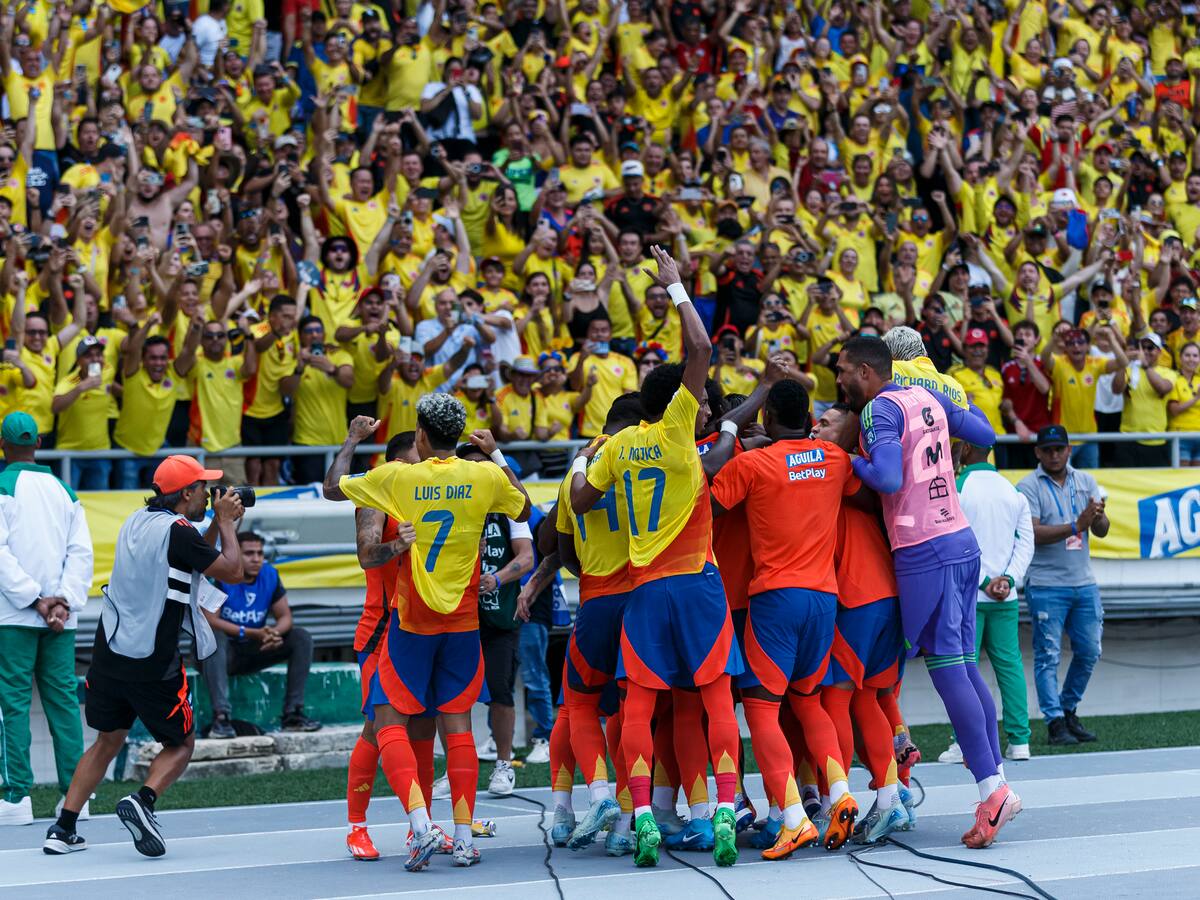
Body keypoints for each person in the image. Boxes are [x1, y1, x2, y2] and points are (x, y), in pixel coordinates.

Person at [570, 246, 742, 869]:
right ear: (679, 403)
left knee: (638, 706)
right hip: (697, 583)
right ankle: (723, 809)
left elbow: (582, 499)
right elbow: (701, 349)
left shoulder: (617, 447)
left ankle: (640, 814)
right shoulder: (676, 432)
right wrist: (675, 287)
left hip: (642, 589)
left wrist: (583, 459)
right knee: (715, 699)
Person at [323, 403, 531, 871]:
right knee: (382, 726)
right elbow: (366, 556)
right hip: (394, 625)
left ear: (421, 439)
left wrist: (352, 440)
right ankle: (361, 826)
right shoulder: (403, 487)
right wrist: (400, 544)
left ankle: (422, 825)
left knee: (418, 726)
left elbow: (331, 487)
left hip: (415, 623)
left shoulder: (402, 482)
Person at [835, 335, 1019, 850]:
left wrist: (844, 460)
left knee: (940, 670)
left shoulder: (879, 409)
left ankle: (989, 790)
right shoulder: (927, 395)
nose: (839, 379)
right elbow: (985, 434)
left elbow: (887, 478)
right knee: (963, 665)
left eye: (844, 370)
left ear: (868, 371)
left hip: (922, 548)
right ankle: (996, 782)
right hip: (960, 540)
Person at [45, 456, 244, 857]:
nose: (208, 495)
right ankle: (143, 800)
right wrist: (225, 524)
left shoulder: (136, 521)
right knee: (181, 744)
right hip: (154, 658)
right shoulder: (179, 531)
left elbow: (193, 555)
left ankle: (62, 829)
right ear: (186, 493)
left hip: (110, 651)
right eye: (203, 488)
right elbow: (233, 571)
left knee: (107, 741)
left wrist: (211, 524)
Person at [709, 379, 866, 859]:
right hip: (824, 597)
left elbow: (707, 500)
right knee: (808, 701)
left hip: (775, 597)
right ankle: (841, 793)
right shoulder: (835, 460)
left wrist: (741, 437)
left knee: (760, 708)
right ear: (809, 417)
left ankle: (794, 819)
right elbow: (854, 484)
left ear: (769, 417)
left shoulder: (753, 464)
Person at [553, 393, 645, 854]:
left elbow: (563, 550)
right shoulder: (639, 457)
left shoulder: (578, 468)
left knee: (578, 703)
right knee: (632, 711)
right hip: (640, 598)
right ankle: (625, 826)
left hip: (594, 599)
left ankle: (595, 795)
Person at [0, 412, 93, 826]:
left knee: (13, 705)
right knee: (64, 705)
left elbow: (0, 555)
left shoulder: (3, 487)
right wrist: (62, 602)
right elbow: (81, 553)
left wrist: (35, 599)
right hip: (60, 618)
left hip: (14, 615)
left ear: (2, 445)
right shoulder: (64, 490)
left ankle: (17, 798)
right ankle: (77, 798)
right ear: (38, 442)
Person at [940, 441, 1035, 765]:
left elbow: (953, 542)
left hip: (968, 595)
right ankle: (1020, 742)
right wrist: (1007, 580)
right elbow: (1026, 544)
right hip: (1005, 596)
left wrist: (983, 582)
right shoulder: (1012, 491)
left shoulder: (958, 487)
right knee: (1010, 668)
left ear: (965, 449)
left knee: (963, 671)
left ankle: (961, 743)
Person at [1016, 425, 1108, 747]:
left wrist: (1098, 516)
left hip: (1083, 582)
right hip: (1046, 584)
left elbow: (1101, 530)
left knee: (1090, 650)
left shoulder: (1086, 481)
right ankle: (1055, 721)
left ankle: (1067, 710)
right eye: (1048, 450)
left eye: (1059, 449)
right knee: (1048, 656)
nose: (1054, 455)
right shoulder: (1027, 486)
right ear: (1037, 452)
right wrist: (1076, 525)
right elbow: (1032, 533)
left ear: (1069, 450)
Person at [455, 441, 534, 796]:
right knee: (453, 696)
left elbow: (527, 557)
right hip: (457, 614)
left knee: (500, 690)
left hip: (499, 614)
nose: (477, 469)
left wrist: (497, 579)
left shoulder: (507, 506)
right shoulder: (453, 504)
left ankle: (504, 764)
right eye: (469, 464)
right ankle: (455, 768)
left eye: (482, 463)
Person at [201, 532, 322, 738]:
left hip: (254, 647)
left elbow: (285, 617)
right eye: (249, 553)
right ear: (235, 554)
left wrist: (272, 634)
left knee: (301, 637)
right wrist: (251, 632)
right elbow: (210, 619)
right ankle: (221, 718)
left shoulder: (269, 574)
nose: (256, 559)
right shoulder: (220, 575)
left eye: (260, 553)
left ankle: (293, 715)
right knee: (214, 637)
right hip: (222, 654)